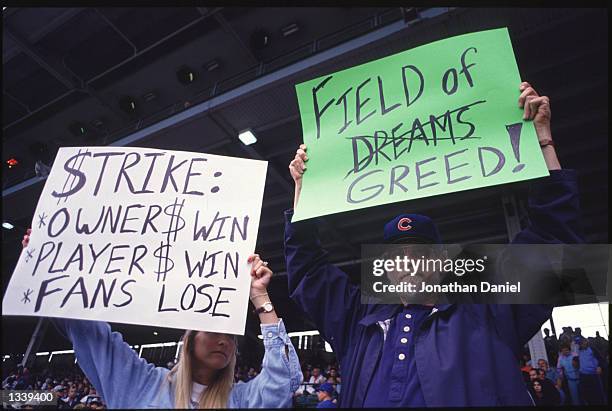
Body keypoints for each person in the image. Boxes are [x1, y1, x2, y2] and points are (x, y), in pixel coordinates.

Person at [285, 82, 584, 407]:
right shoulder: (357, 321)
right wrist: (305, 189)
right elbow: (308, 270)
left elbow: (553, 243)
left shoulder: (487, 314)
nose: (409, 261)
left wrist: (542, 140)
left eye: (420, 252)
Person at [21, 233, 302, 408]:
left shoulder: (241, 400)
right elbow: (88, 333)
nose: (225, 341)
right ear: (188, 338)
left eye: (231, 336)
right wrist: (50, 263)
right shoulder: (140, 382)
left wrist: (259, 297)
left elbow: (286, 380)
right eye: (214, 330)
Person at [575, 336, 606, 405]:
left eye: (581, 342)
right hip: (583, 375)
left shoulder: (592, 349)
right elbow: (576, 361)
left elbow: (601, 359)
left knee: (598, 393)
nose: (580, 344)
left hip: (593, 375)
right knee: (586, 394)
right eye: (579, 343)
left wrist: (600, 366)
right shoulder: (578, 351)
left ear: (585, 341)